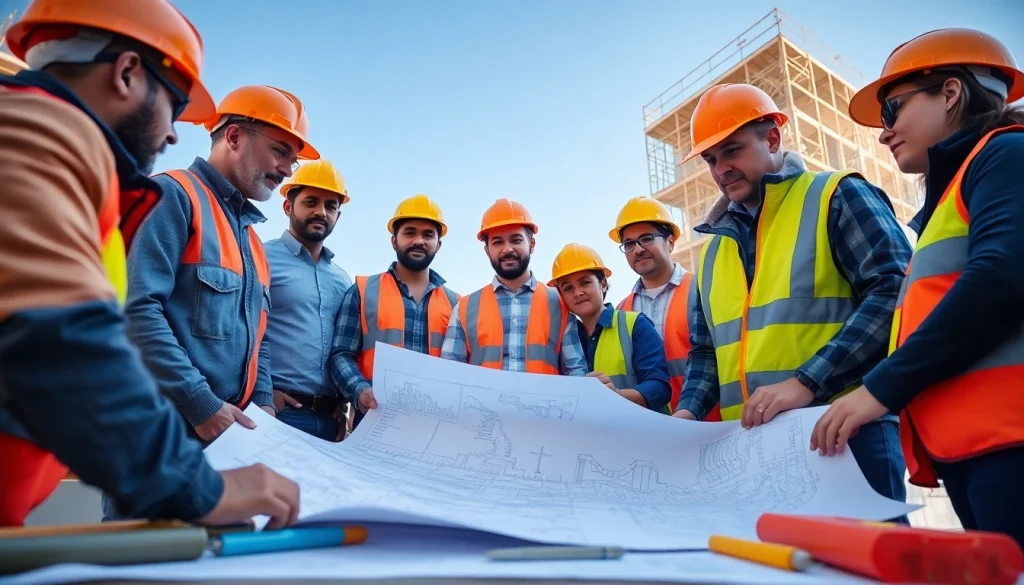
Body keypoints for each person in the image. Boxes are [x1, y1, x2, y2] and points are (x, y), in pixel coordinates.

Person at [0, 0, 298, 528]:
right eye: (173, 104)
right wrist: (196, 484)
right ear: (127, 72)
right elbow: (65, 338)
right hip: (174, 440)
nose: (174, 134)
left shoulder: (55, 151)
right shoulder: (33, 135)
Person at [811, 29, 1024, 545]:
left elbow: (999, 279)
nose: (884, 133)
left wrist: (879, 388)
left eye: (893, 109)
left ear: (950, 92)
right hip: (974, 450)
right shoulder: (955, 193)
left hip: (1010, 445)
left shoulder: (1008, 154)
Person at [674, 82, 912, 514]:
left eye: (731, 150)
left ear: (772, 139)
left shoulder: (836, 195)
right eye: (710, 159)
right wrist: (687, 413)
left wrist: (807, 382)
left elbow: (894, 291)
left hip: (845, 435)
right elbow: (706, 350)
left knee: (866, 555)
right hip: (751, 451)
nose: (721, 169)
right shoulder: (711, 254)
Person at [124, 84, 319, 445]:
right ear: (233, 137)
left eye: (292, 160)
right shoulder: (173, 196)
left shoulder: (253, 243)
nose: (287, 170)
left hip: (227, 434)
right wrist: (200, 404)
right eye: (280, 151)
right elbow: (136, 310)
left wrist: (264, 404)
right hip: (162, 435)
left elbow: (258, 339)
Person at [330, 194, 460, 430]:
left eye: (428, 235)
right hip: (374, 421)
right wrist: (359, 390)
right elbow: (340, 354)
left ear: (438, 245)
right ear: (394, 241)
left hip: (435, 427)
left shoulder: (456, 304)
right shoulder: (363, 291)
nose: (419, 240)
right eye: (410, 232)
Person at [442, 199, 588, 376]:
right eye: (497, 242)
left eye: (516, 240)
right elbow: (449, 374)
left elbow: (575, 371)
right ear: (487, 251)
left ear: (532, 244)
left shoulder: (559, 303)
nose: (507, 249)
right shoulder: (465, 309)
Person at [264, 159, 353, 442]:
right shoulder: (260, 258)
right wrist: (262, 392)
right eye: (311, 202)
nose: (321, 212)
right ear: (288, 207)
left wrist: (342, 403)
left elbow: (344, 347)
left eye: (330, 206)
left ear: (338, 216)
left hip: (329, 420)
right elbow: (244, 333)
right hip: (278, 412)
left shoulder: (342, 279)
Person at [609, 197, 719, 419]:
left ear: (670, 242)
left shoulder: (703, 289)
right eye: (629, 244)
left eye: (646, 239)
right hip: (649, 428)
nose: (637, 249)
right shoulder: (621, 311)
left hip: (706, 422)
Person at [549, 243, 671, 412]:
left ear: (604, 284)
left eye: (585, 283)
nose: (578, 293)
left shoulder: (635, 324)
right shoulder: (564, 339)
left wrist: (616, 395)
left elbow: (660, 388)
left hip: (640, 428)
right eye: (568, 288)